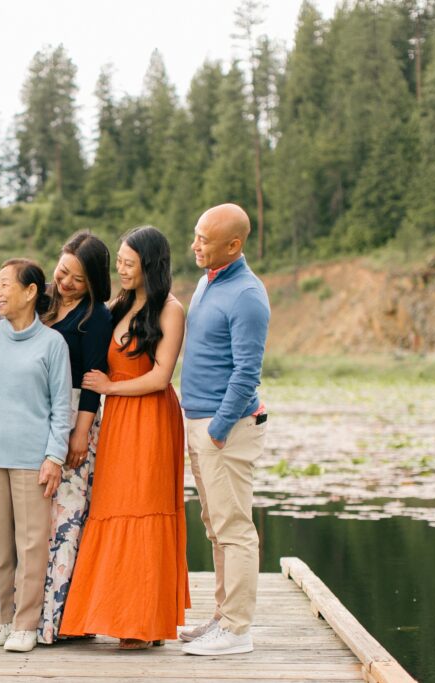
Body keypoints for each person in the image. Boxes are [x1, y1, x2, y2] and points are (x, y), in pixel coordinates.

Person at [60, 226, 190, 649]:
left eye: (129, 263)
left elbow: (160, 375)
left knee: (144, 509)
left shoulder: (169, 310)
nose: (121, 269)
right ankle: (108, 612)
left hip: (150, 418)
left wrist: (110, 387)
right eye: (118, 262)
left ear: (150, 265)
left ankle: (142, 621)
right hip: (117, 421)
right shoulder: (118, 306)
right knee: (111, 507)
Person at [0, 232, 113, 643]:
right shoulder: (42, 301)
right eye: (63, 271)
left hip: (73, 418)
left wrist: (80, 433)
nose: (67, 282)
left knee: (63, 524)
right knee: (17, 527)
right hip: (27, 415)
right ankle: (8, 614)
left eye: (78, 278)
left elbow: (90, 382)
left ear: (93, 282)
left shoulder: (95, 316)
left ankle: (54, 619)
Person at [0, 258, 72, 653]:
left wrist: (54, 457)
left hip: (32, 460)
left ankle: (26, 624)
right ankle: (3, 619)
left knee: (31, 545)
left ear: (30, 291)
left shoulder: (53, 343)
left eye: (6, 285)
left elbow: (62, 407)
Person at [178, 203, 270, 657]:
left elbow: (247, 372)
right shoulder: (205, 283)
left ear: (233, 245)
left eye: (204, 239)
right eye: (195, 235)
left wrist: (216, 428)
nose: (195, 245)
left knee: (235, 529)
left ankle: (238, 631)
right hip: (199, 423)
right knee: (215, 527)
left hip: (226, 429)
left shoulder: (248, 295)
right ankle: (221, 617)